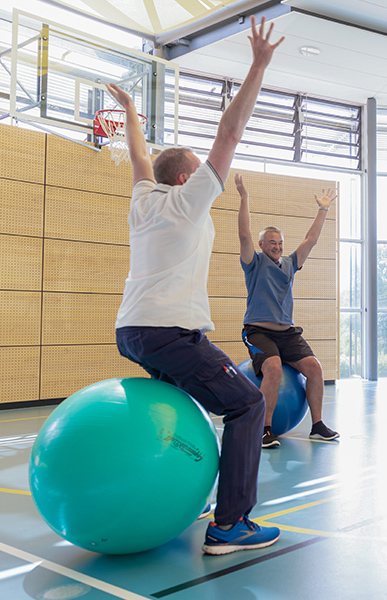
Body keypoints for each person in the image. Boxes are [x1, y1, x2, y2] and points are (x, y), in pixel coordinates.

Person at [109, 16, 285, 554]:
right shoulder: (188, 202)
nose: (206, 169)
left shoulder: (145, 199)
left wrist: (133, 115)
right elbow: (229, 133)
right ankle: (230, 523)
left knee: (196, 404)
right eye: (197, 165)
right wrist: (256, 66)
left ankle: (189, 492)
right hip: (168, 331)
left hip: (132, 331)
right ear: (188, 179)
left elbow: (141, 157)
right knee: (248, 405)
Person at [236, 173, 340, 448]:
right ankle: (265, 429)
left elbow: (311, 240)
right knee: (272, 368)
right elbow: (244, 234)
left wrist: (323, 209)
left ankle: (317, 426)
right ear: (261, 245)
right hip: (258, 332)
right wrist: (245, 197)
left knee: (315, 368)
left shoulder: (290, 263)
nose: (278, 246)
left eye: (280, 242)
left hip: (288, 333)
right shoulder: (254, 263)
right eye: (272, 242)